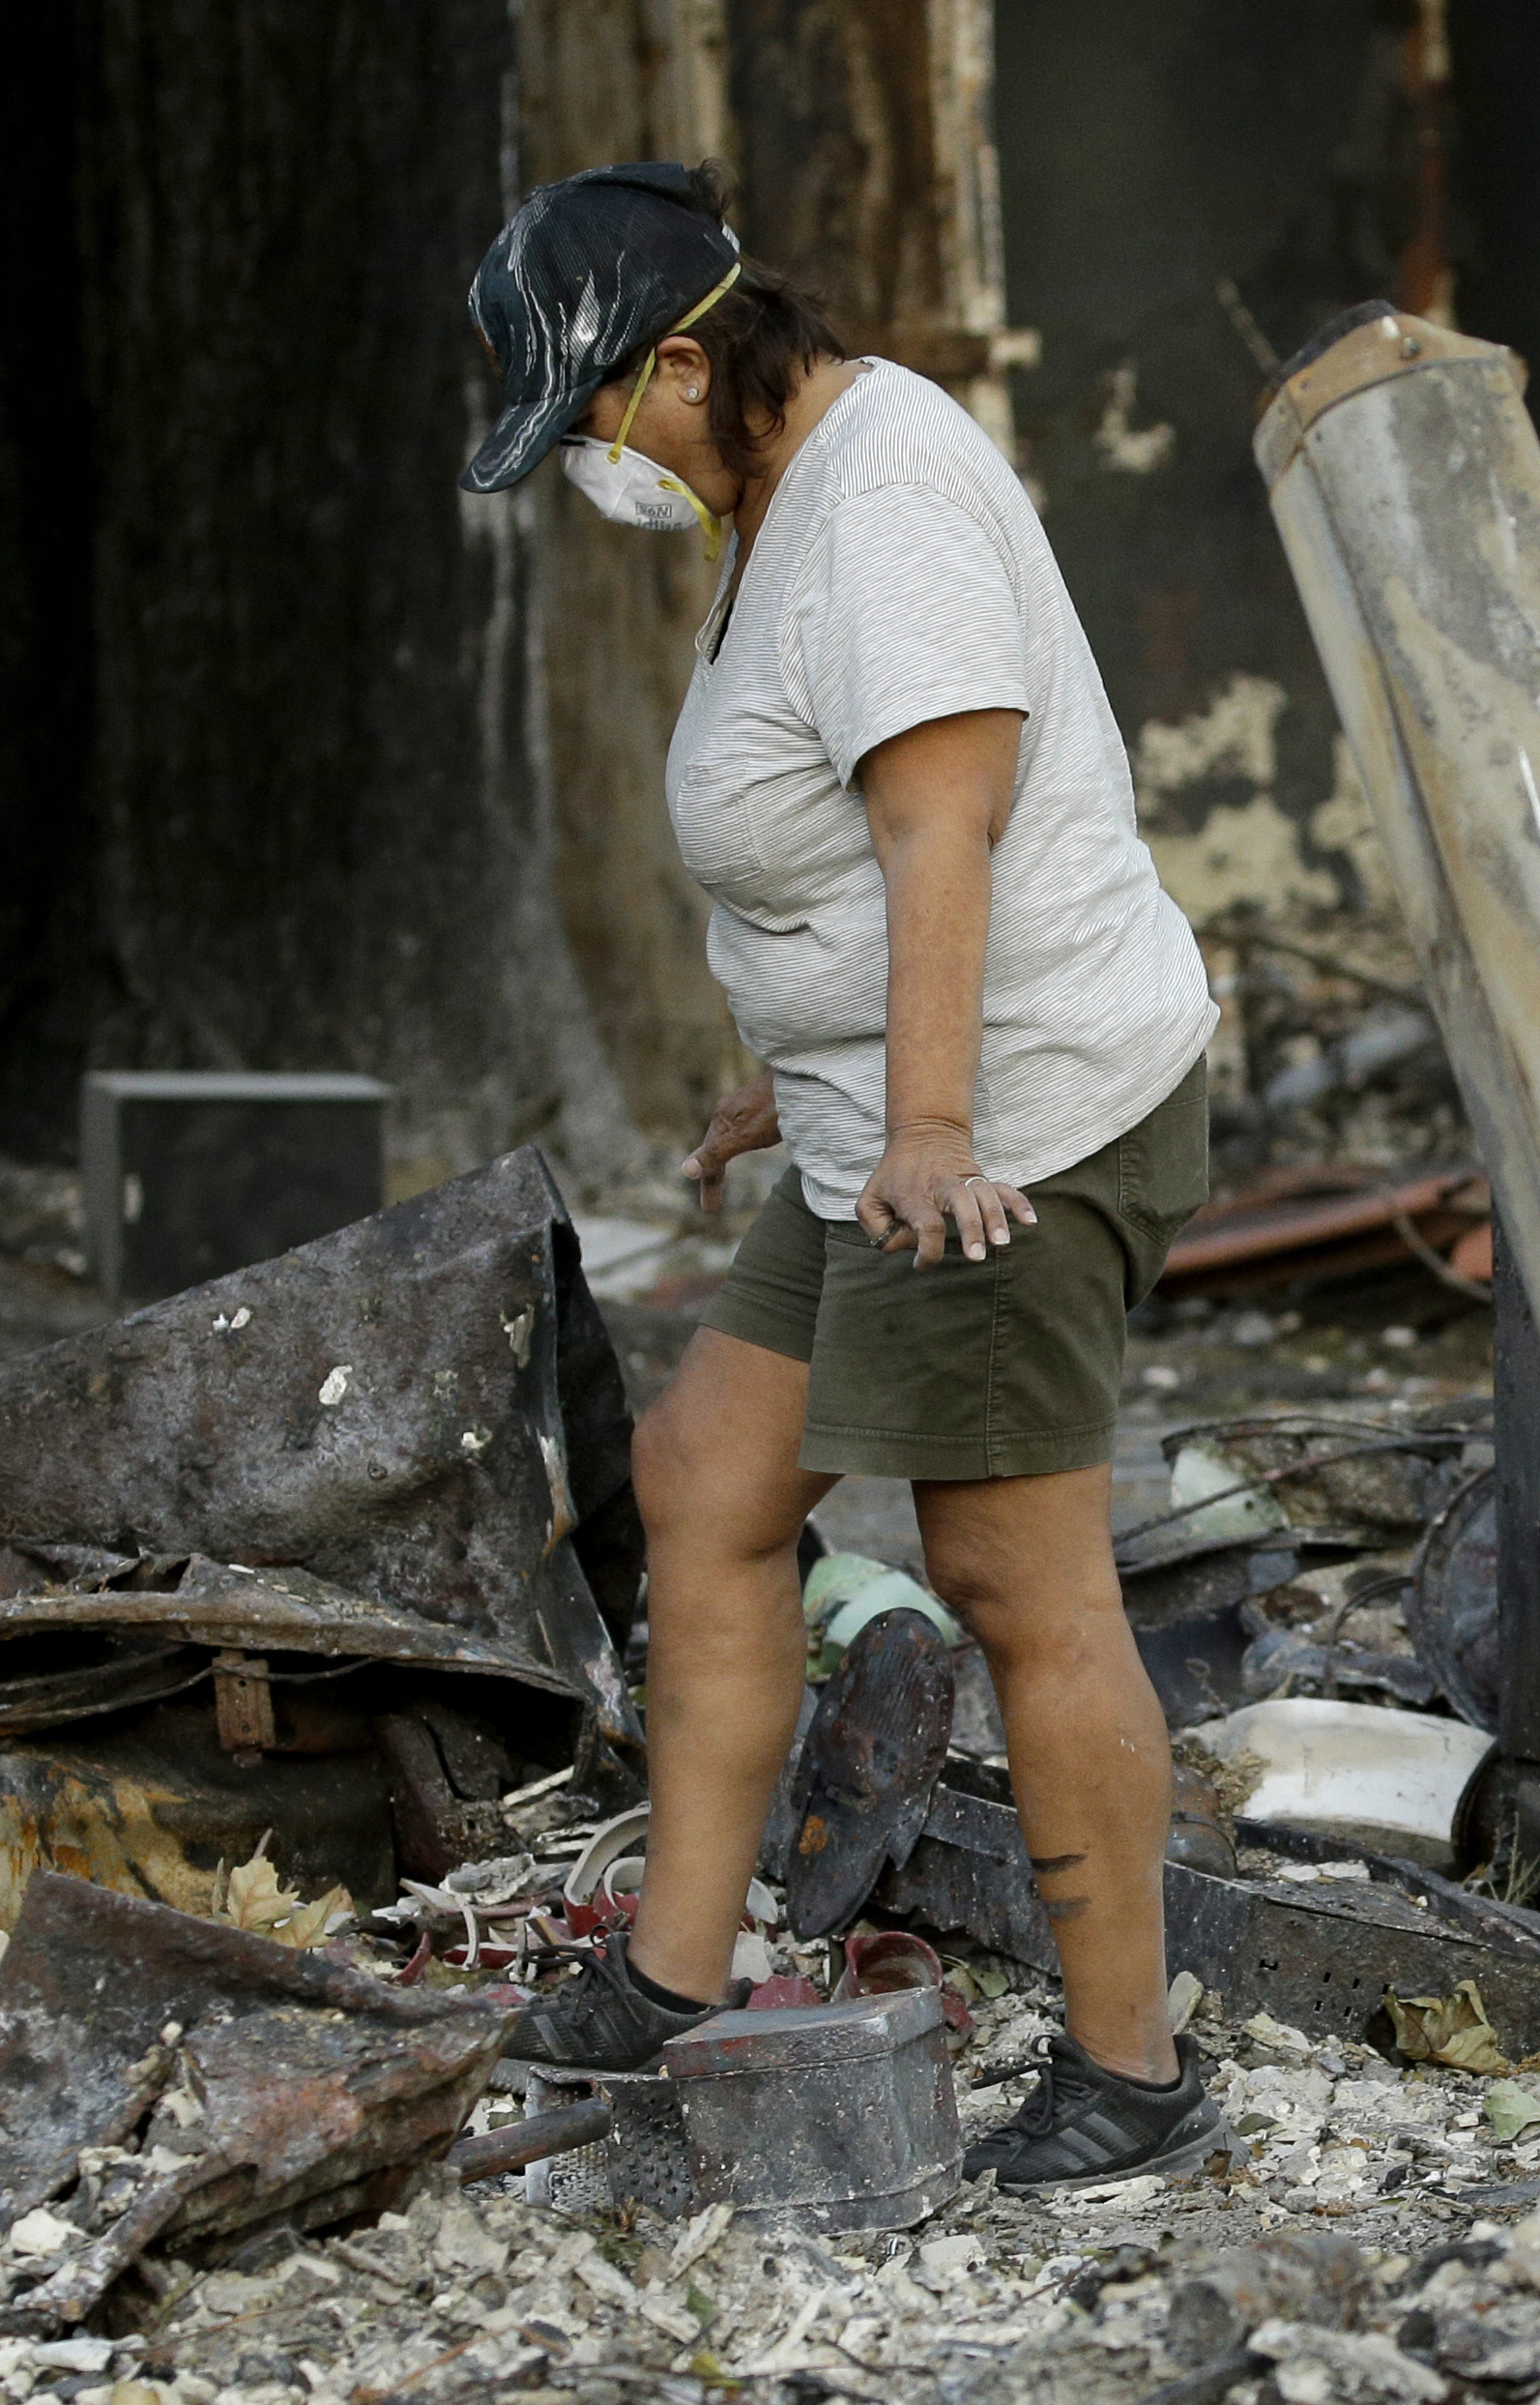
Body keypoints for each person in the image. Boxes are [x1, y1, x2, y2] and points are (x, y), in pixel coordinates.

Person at [459, 160, 1231, 2191]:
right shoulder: (775, 494)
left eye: (601, 416)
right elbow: (807, 832)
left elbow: (936, 837)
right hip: (875, 1109)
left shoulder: (879, 503)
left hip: (1011, 1115)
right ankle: (675, 1970)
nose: (593, 467)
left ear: (695, 360)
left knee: (1005, 1568)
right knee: (714, 1482)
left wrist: (924, 1130)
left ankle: (1133, 2072)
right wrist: (776, 1073)